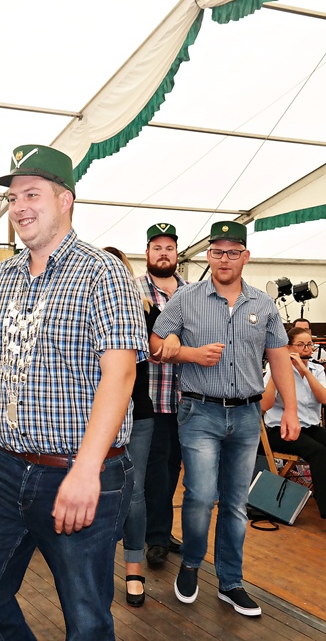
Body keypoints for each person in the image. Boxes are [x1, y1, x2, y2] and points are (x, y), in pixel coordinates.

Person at [0, 144, 147, 640]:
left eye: (31, 194)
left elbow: (120, 375)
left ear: (65, 200)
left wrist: (86, 470)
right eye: (12, 199)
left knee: (86, 620)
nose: (19, 208)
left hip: (78, 470)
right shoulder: (6, 276)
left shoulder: (103, 273)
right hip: (6, 465)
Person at [150, 220, 298, 618]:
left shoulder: (264, 305)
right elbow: (156, 345)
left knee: (235, 504)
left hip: (248, 415)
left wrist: (293, 409)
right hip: (199, 411)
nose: (224, 259)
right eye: (217, 251)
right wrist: (188, 354)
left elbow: (279, 358)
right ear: (208, 256)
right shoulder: (185, 299)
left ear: (246, 257)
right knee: (199, 497)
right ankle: (192, 564)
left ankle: (232, 581)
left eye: (233, 252)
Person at [261, 327, 326, 543]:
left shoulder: (315, 369)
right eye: (301, 345)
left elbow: (325, 399)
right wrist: (279, 368)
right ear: (288, 347)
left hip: (310, 427)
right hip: (280, 429)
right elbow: (264, 404)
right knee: (318, 452)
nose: (307, 349)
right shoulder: (274, 368)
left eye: (310, 345)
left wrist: (305, 371)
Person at [103, 246, 158, 607]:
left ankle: (134, 569)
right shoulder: (81, 309)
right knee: (97, 495)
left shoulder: (145, 311)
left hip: (136, 413)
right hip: (90, 415)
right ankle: (97, 566)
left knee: (133, 494)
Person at [137, 222, 188, 570]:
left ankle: (161, 530)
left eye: (169, 247)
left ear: (177, 254)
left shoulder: (194, 292)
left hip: (186, 397)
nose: (163, 253)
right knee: (154, 467)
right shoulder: (132, 290)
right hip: (150, 396)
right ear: (147, 254)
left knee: (173, 467)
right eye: (157, 247)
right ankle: (154, 537)